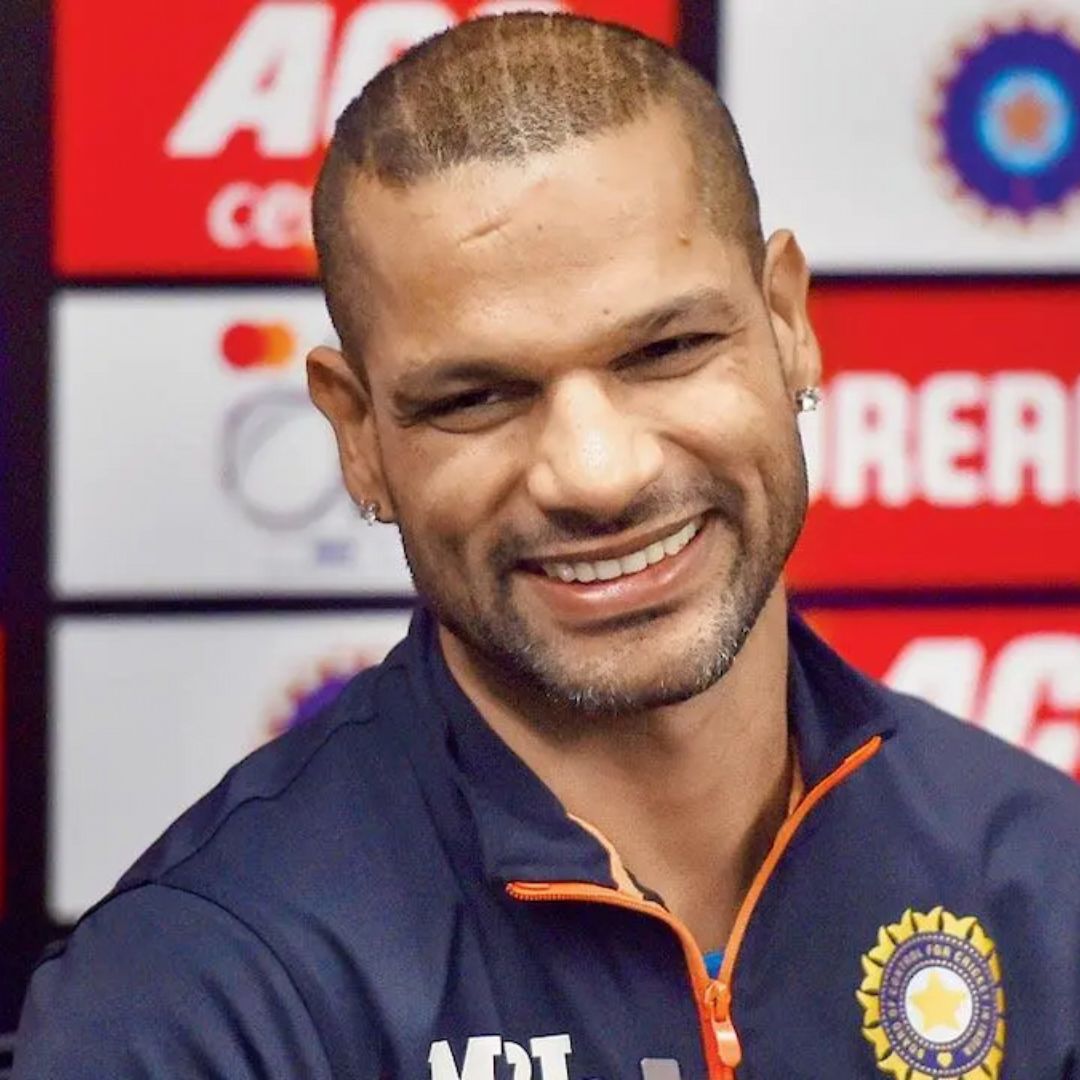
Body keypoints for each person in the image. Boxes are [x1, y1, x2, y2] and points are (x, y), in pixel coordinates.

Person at [15, 12, 1080, 1079]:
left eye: (666, 349)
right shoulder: (195, 995)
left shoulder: (1046, 879)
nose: (597, 474)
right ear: (358, 436)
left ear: (786, 322)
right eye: (477, 397)